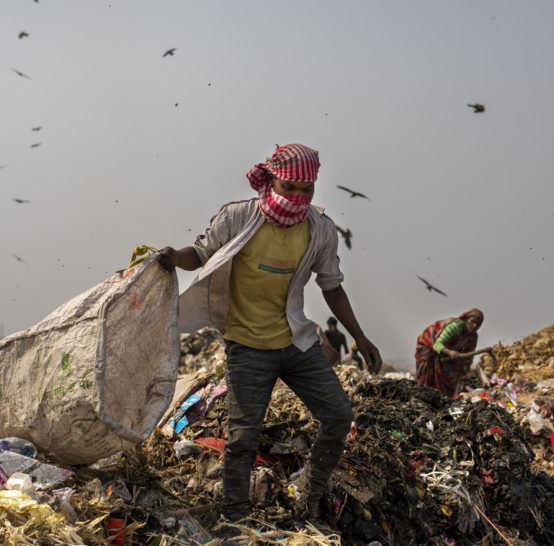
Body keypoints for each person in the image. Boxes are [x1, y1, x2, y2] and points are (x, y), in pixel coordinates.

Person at [159, 143, 382, 522]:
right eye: (289, 187)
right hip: (247, 346)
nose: (297, 197)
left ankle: (308, 494)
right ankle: (234, 517)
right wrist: (174, 259)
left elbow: (332, 286)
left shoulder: (319, 229)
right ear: (270, 180)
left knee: (339, 415)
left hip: (297, 343)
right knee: (243, 438)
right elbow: (201, 253)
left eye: (306, 189)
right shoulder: (239, 217)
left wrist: (360, 337)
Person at [414, 308, 484, 396]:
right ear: (466, 319)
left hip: (444, 353)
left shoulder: (472, 337)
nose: (475, 326)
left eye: (478, 324)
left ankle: (442, 397)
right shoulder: (456, 326)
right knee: (426, 373)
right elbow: (437, 345)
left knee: (451, 374)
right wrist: (450, 352)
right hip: (428, 346)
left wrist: (467, 371)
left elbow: (468, 358)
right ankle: (420, 394)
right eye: (472, 321)